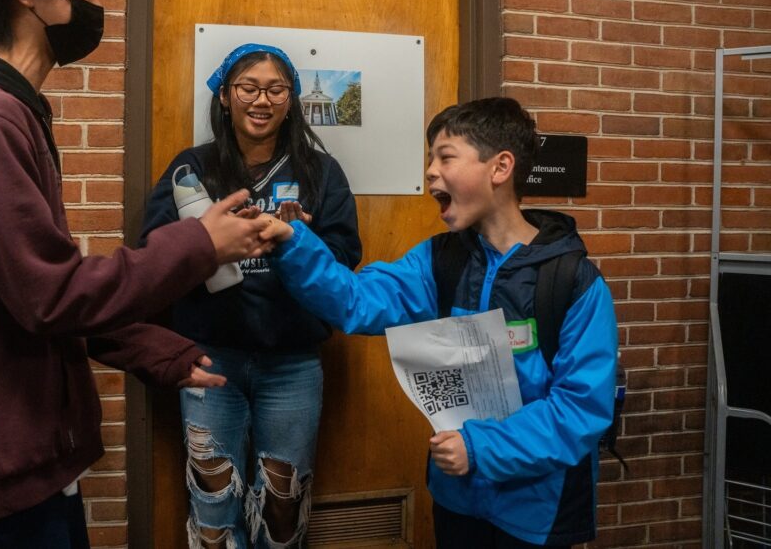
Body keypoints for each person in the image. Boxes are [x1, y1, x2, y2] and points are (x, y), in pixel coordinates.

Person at [0, 0, 270, 548]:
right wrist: (200, 244)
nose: (95, 7)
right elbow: (50, 295)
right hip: (1, 461)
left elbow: (31, 294)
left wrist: (160, 354)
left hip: (30, 456)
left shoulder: (6, 112)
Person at [259, 97, 617, 548]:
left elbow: (581, 409)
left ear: (500, 167)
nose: (430, 171)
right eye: (430, 159)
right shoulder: (438, 261)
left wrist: (480, 448)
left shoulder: (572, 280)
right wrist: (294, 243)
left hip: (538, 511)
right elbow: (356, 300)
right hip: (457, 499)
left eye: (446, 157)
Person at [140, 43, 362, 548]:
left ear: (291, 100)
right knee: (213, 502)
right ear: (225, 96)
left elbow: (348, 256)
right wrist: (208, 245)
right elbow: (151, 254)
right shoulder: (190, 170)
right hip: (209, 360)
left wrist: (303, 239)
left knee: (283, 505)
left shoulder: (321, 173)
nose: (261, 100)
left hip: (293, 363)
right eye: (248, 87)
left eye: (275, 89)